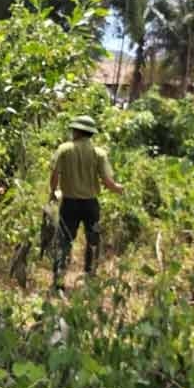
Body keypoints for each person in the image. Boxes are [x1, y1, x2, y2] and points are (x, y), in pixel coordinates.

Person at [49, 115, 123, 291]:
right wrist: (120, 188)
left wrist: (52, 193)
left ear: (77, 131)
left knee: (64, 241)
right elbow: (108, 182)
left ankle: (59, 281)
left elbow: (54, 175)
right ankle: (90, 277)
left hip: (69, 204)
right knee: (93, 240)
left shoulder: (64, 149)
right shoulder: (99, 153)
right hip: (91, 205)